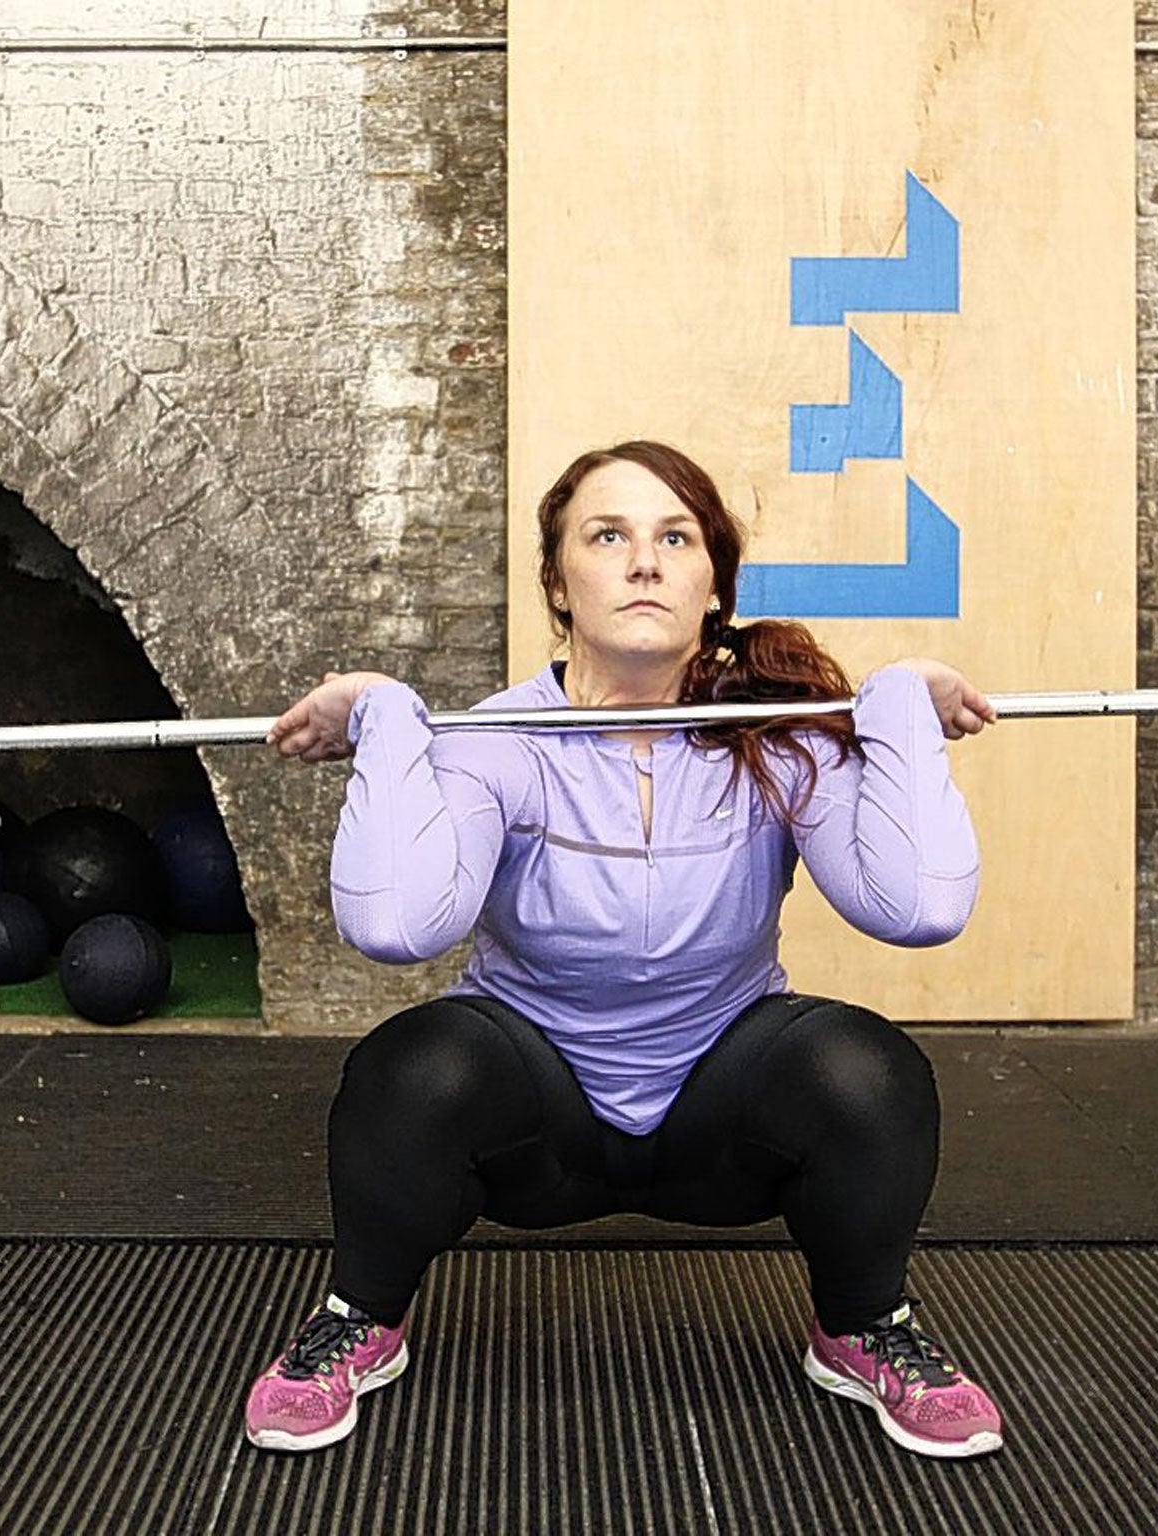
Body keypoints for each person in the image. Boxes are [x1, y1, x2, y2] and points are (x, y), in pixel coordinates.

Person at [246, 440, 1004, 1460]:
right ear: (558, 582)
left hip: (722, 1117)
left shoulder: (777, 736)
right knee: (412, 1066)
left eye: (673, 538)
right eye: (607, 536)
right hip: (535, 1123)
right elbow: (394, 928)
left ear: (710, 583)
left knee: (865, 1070)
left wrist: (899, 706)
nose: (642, 562)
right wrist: (386, 715)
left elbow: (915, 907)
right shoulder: (495, 742)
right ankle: (359, 1317)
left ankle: (862, 1324)